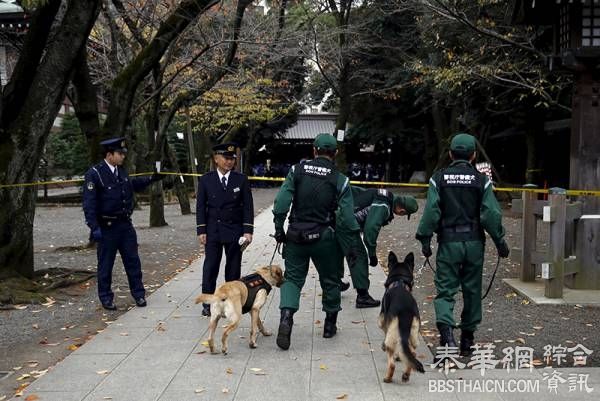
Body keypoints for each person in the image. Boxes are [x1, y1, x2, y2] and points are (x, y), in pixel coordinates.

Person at [415, 133, 510, 357]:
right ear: (474, 155)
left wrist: (425, 239)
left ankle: (447, 336)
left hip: (448, 243)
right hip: (475, 243)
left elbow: (431, 213)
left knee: (446, 291)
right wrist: (500, 242)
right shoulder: (482, 180)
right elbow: (490, 215)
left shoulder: (438, 179)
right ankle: (467, 340)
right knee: (472, 290)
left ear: (450, 154)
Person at [273, 133, 359, 350]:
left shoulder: (296, 171)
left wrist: (278, 228)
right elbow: (348, 218)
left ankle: (286, 317)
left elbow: (282, 202)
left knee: (292, 279)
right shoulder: (341, 180)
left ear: (313, 150)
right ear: (335, 153)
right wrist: (352, 244)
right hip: (325, 238)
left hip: (295, 235)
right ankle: (330, 325)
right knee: (330, 279)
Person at [83, 137, 164, 310]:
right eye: (120, 153)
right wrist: (94, 227)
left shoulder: (121, 171)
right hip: (107, 227)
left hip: (125, 225)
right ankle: (106, 297)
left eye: (123, 153)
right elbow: (89, 203)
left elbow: (131, 185)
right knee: (106, 264)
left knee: (133, 261)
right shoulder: (95, 173)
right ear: (109, 154)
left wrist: (151, 178)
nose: (123, 157)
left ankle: (139, 294)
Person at [196, 143, 254, 317]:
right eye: (226, 158)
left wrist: (248, 230)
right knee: (210, 267)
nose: (229, 162)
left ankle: (231, 300)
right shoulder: (206, 179)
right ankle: (208, 302)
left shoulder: (240, 179)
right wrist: (201, 230)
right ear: (216, 159)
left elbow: (248, 207)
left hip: (234, 230)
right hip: (213, 229)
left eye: (232, 159)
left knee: (233, 268)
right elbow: (200, 207)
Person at [337, 186, 419, 308]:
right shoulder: (384, 206)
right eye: (404, 214)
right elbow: (370, 230)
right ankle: (363, 297)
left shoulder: (383, 195)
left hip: (337, 216)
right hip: (346, 223)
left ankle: (335, 283)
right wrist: (372, 254)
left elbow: (356, 191)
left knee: (337, 250)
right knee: (359, 256)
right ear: (402, 210)